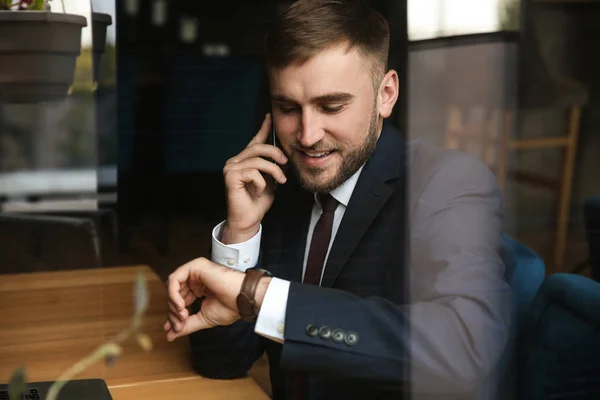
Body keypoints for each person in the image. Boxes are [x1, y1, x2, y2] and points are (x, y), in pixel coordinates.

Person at [164, 1, 512, 399]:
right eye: (287, 108)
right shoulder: (278, 188)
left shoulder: (447, 182)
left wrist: (260, 295)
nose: (308, 135)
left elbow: (467, 347)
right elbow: (220, 363)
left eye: (332, 106)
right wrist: (241, 233)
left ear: (386, 94)